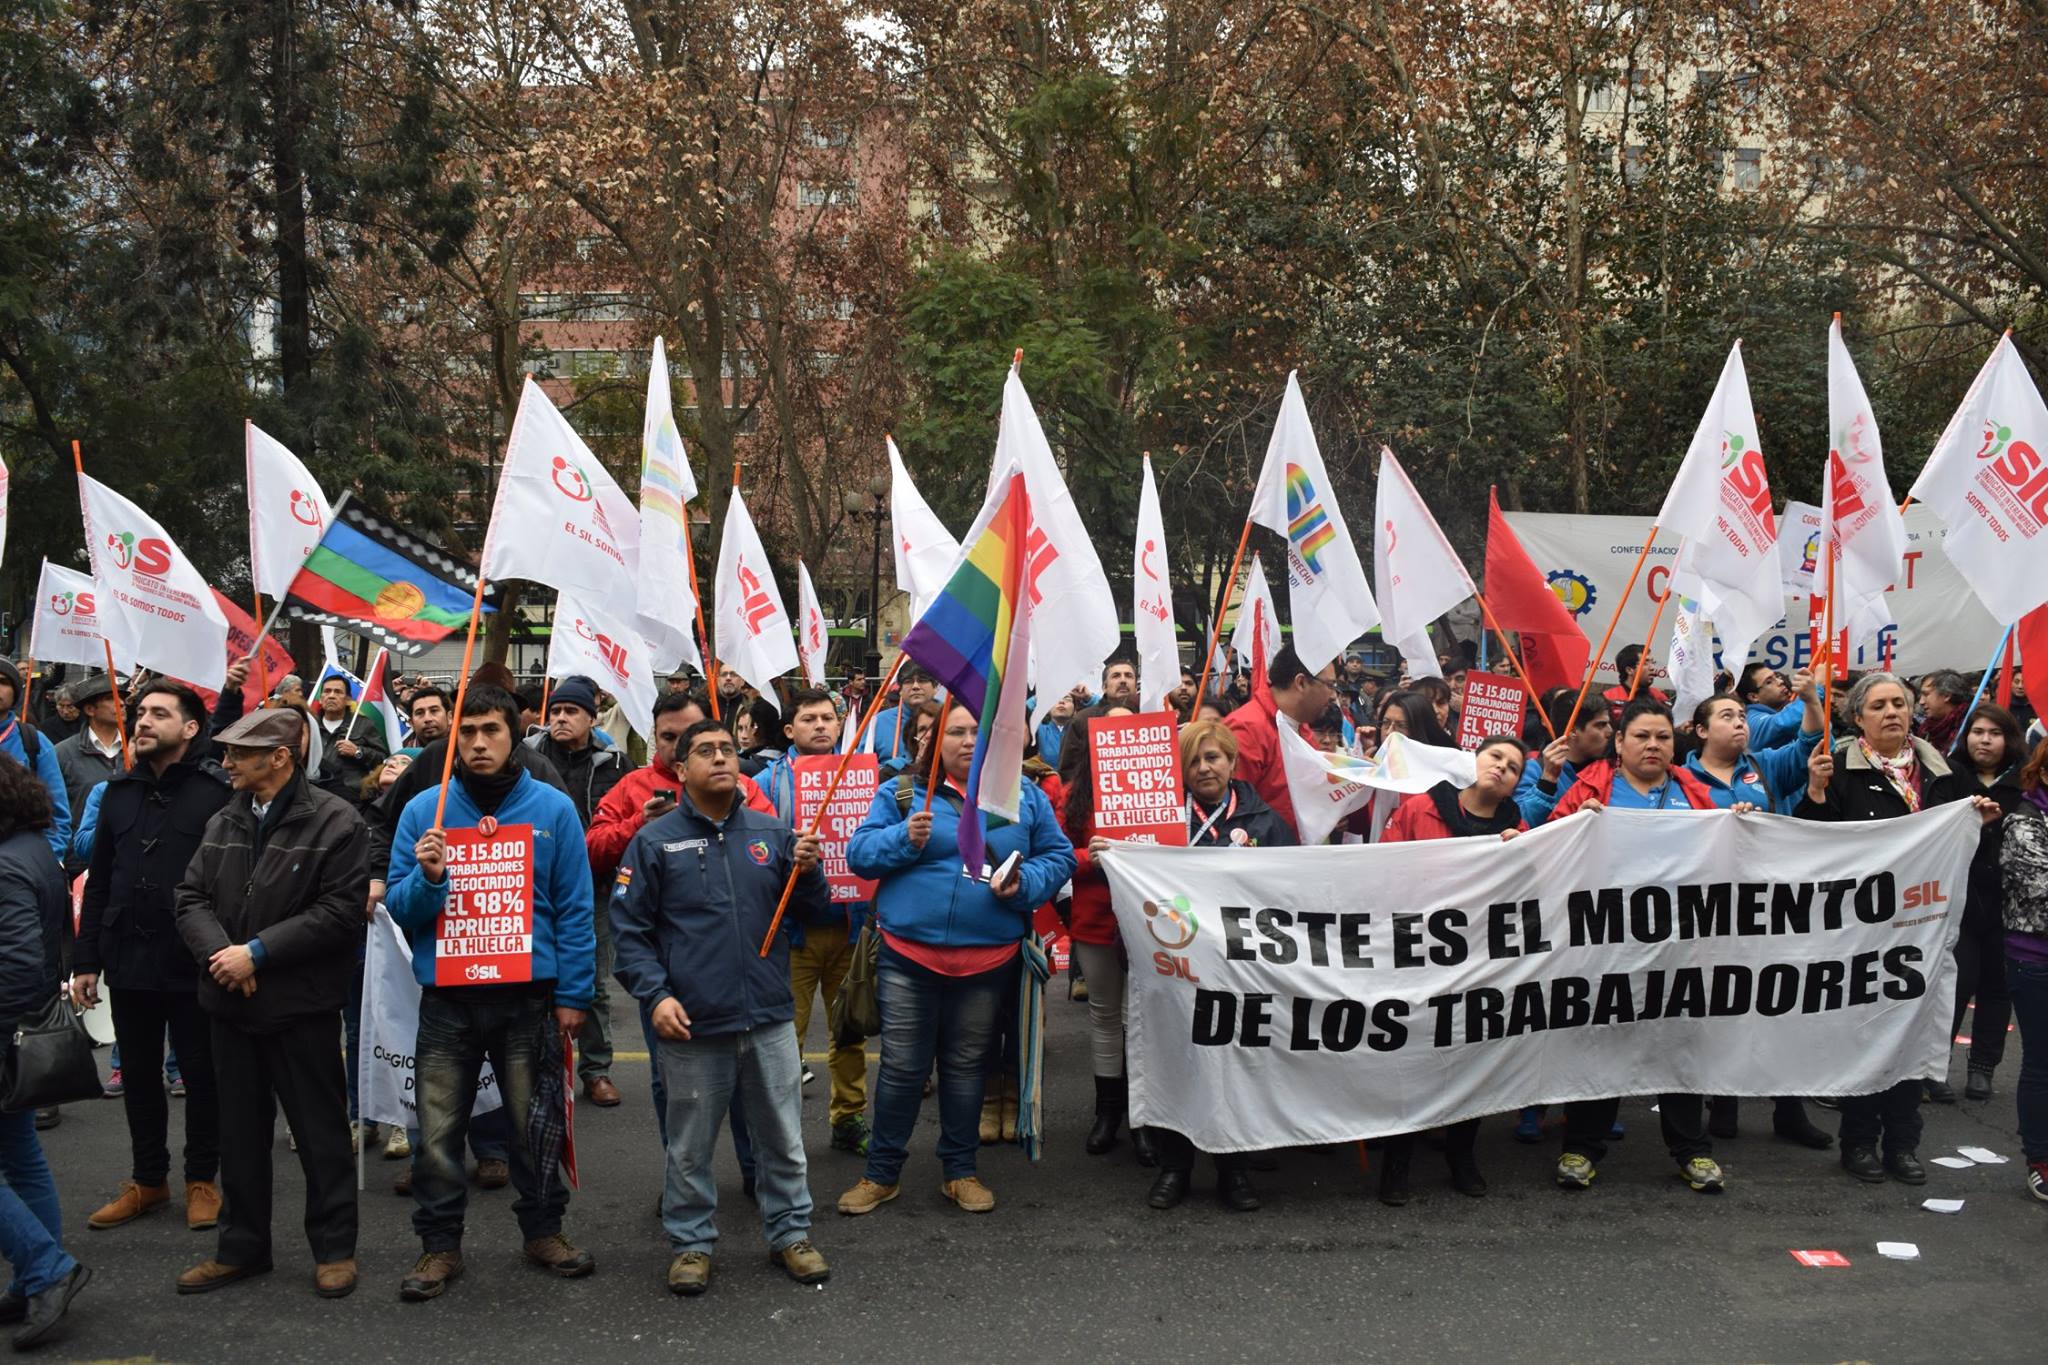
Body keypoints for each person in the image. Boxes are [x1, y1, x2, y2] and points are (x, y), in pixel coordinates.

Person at [384, 685, 597, 1301]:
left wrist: (574, 997)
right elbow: (402, 909)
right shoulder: (423, 810)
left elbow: (576, 910)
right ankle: (439, 1247)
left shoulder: (553, 810)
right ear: (454, 738)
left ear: (513, 736)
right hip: (448, 1004)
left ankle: (542, 1231)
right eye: (468, 731)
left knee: (536, 1129)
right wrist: (428, 879)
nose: (478, 743)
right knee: (438, 1134)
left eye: (491, 731)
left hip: (528, 1000)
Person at [611, 718, 834, 1295]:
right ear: (681, 770)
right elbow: (629, 932)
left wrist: (809, 873)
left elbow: (810, 909)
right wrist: (656, 996)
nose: (720, 759)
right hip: (692, 1023)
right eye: (704, 751)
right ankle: (690, 1243)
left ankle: (791, 1233)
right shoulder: (653, 841)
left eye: (728, 749)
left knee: (782, 1136)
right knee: (689, 1145)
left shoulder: (772, 832)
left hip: (768, 1016)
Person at [836, 697, 1076, 1218]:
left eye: (978, 733)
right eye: (956, 732)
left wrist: (1026, 884)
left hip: (987, 963)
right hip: (906, 958)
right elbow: (859, 854)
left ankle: (959, 1172)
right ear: (933, 740)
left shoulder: (1024, 797)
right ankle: (880, 1175)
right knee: (901, 1068)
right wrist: (904, 837)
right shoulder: (900, 793)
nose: (969, 742)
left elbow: (1059, 856)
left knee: (968, 1069)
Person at [171, 709, 368, 1299]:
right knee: (239, 1135)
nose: (225, 762)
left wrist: (256, 953)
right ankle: (242, 1248)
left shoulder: (338, 821)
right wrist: (225, 957)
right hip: (230, 1003)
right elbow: (190, 897)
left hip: (299, 1009)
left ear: (279, 757)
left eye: (238, 753)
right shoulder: (225, 817)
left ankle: (335, 1249)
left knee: (321, 1134)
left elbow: (338, 912)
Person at [1797, 672, 2003, 1183]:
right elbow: (1812, 849)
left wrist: (1981, 822)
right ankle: (1860, 1142)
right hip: (1864, 932)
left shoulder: (1943, 772)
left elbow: (1965, 849)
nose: (1892, 712)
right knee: (1866, 1035)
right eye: (1880, 705)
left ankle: (1904, 1144)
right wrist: (1817, 793)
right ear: (1858, 718)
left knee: (1916, 1032)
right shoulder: (1838, 769)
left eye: (1900, 704)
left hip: (1924, 928)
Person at [1547, 699, 1730, 1194]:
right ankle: (1582, 1147)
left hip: (1678, 948)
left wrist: (1740, 825)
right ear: (1619, 742)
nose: (1653, 745)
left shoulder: (1695, 794)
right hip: (1606, 948)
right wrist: (1571, 827)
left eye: (1663, 737)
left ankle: (1692, 1152)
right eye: (1642, 736)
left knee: (1678, 1048)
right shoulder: (1589, 789)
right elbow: (1547, 853)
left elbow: (1726, 860)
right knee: (1600, 1043)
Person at [587, 690, 775, 1170]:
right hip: (669, 977)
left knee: (749, 1085)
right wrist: (638, 826)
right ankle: (684, 1178)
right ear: (655, 736)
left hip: (741, 974)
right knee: (672, 1085)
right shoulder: (630, 786)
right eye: (668, 738)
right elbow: (592, 850)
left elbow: (773, 854)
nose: (676, 748)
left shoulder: (743, 788)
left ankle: (757, 1175)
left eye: (688, 737)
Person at [71, 682, 228, 1234]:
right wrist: (85, 960)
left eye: (159, 714)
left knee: (202, 1075)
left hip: (193, 960)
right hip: (128, 958)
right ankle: (149, 1180)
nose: (142, 721)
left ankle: (202, 1179)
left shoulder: (217, 794)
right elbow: (98, 884)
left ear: (189, 729)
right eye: (140, 712)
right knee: (138, 1074)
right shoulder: (116, 795)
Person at [1675, 685, 1835, 1147]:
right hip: (1709, 915)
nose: (1740, 721)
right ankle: (1722, 1099)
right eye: (1727, 715)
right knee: (1718, 1007)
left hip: (1769, 909)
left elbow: (1808, 742)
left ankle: (1789, 1109)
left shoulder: (1763, 766)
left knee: (1777, 1005)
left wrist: (1809, 699)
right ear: (1701, 730)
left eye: (1743, 714)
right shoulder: (1680, 781)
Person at [1146, 720, 1294, 1212]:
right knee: (1176, 1061)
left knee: (1237, 1064)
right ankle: (1175, 1167)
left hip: (1240, 968)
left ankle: (1235, 1169)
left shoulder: (1264, 822)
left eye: (1213, 757)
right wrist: (1115, 852)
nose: (1204, 768)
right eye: (1193, 760)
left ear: (1232, 762)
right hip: (1175, 963)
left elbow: (1292, 890)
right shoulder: (1163, 818)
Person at [1374, 735, 1528, 1205]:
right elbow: (1379, 868)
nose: (1502, 767)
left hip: (1478, 961)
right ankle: (1396, 1162)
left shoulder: (1515, 826)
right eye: (1495, 757)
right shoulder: (1422, 807)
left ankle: (1462, 1154)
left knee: (1471, 1059)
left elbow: (1524, 896)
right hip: (1416, 954)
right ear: (1474, 761)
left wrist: (1520, 857)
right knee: (1411, 1058)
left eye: (1514, 766)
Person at [0, 754, 91, 1349]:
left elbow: (16, 962)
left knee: (21, 1154)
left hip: (5, 1025)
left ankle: (47, 1270)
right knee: (22, 1155)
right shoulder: (30, 847)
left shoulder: (6, 864)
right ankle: (38, 1276)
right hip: (19, 1026)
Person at [755, 690, 870, 1155]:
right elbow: (754, 852)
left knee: (849, 1031)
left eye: (828, 717)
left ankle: (849, 1118)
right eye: (809, 719)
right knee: (786, 1038)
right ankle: (781, 1133)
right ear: (789, 730)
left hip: (849, 927)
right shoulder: (765, 783)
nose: (821, 725)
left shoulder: (862, 777)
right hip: (794, 933)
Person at [524, 676, 628, 1108]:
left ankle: (596, 1070)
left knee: (591, 982)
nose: (561, 719)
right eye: (556, 711)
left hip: (592, 886)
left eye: (571, 712)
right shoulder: (524, 758)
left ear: (591, 717)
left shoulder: (615, 765)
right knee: (530, 979)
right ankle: (531, 1069)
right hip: (532, 885)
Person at [1053, 705, 1143, 1162]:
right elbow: (1057, 856)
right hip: (1096, 919)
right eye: (1112, 727)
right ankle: (1107, 1113)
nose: (1122, 735)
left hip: (1152, 922)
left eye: (1131, 726)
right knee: (1106, 1018)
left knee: (1141, 1020)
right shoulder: (1072, 796)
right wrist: (1094, 858)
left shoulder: (1162, 789)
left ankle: (1145, 1118)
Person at [1950, 703, 2026, 1102]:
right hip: (1960, 900)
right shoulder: (1951, 778)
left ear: (2007, 739)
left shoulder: (2025, 784)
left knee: (1998, 988)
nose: (1984, 739)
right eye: (1978, 731)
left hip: (2008, 904)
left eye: (1994, 733)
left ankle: (1982, 1068)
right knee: (1956, 983)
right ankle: (1933, 1066)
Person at [1996, 736, 2048, 1201]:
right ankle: (2041, 1158)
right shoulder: (2026, 821)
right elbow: (2039, 891)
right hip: (2037, 961)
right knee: (2043, 1061)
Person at [1223, 645, 1337, 837]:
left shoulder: (1303, 728)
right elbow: (1234, 810)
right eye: (1330, 685)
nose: (1333, 695)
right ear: (1301, 683)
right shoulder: (1246, 730)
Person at [0, 661, 70, 862]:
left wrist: (46, 862)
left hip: (20, 867)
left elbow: (58, 816)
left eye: (3, 682)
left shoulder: (34, 742)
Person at [1514, 691, 1615, 826]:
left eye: (1609, 724)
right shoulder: (1534, 770)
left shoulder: (1613, 771)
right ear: (1573, 731)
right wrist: (1546, 784)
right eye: (1600, 725)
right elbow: (1519, 825)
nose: (1610, 732)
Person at [52, 673, 123, 836]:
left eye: (121, 698)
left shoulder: (137, 751)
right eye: (110, 698)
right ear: (90, 709)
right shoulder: (63, 753)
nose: (120, 703)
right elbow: (51, 809)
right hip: (79, 856)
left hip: (126, 853)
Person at [313, 677, 389, 805]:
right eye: (327, 691)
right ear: (320, 698)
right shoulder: (309, 725)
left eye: (338, 692)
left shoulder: (363, 724)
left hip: (351, 799)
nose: (331, 696)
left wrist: (358, 752)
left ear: (348, 699)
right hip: (315, 796)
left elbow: (382, 759)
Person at [868, 665, 935, 764]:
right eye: (908, 681)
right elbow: (863, 768)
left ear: (936, 687)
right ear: (900, 691)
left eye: (922, 680)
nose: (915, 686)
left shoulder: (950, 718)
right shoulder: (878, 722)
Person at [1734, 663, 1806, 749]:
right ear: (1754, 697)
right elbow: (1783, 723)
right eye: (1769, 682)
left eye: (1776, 677)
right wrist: (1815, 690)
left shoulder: (1784, 709)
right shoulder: (1751, 721)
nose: (1780, 682)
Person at [1600, 644, 1669, 720]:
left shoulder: (1660, 698)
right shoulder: (1608, 699)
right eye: (1645, 663)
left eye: (1653, 662)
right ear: (1629, 670)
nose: (1652, 668)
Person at [1915, 668, 1971, 755]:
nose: (1921, 702)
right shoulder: (1926, 730)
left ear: (1946, 695)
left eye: (1926, 694)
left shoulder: (1970, 725)